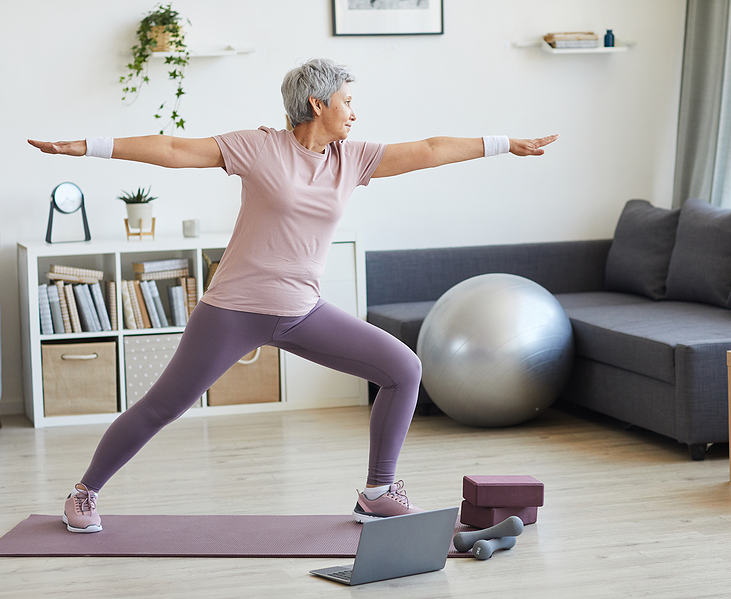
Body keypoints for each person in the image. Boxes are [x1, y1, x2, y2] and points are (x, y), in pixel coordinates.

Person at [28, 58, 558, 534]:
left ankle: (377, 492)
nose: (354, 113)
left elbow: (427, 150)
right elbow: (173, 148)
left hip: (302, 313)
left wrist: (503, 143)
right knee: (163, 406)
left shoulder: (351, 160)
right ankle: (84, 492)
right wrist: (89, 147)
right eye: (347, 101)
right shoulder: (259, 147)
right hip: (232, 311)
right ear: (317, 103)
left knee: (403, 368)